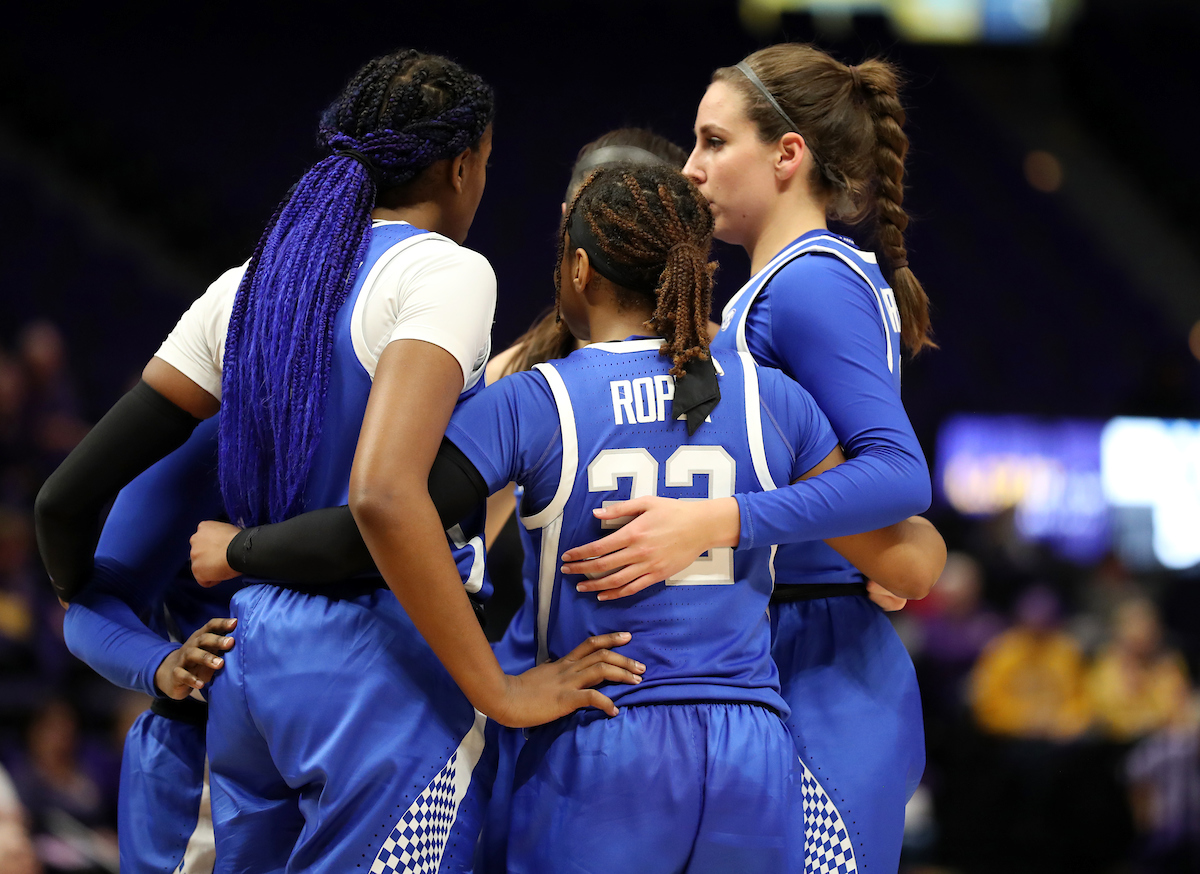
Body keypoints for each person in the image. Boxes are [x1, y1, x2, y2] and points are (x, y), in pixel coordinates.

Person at [190, 163, 946, 872]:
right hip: (751, 750)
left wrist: (243, 549)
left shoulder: (536, 399)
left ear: (578, 269)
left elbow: (384, 516)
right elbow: (913, 565)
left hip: (606, 734)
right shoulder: (771, 400)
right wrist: (736, 517)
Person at [36, 49, 626, 874]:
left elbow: (62, 501)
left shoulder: (243, 291)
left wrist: (113, 621)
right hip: (374, 663)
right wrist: (500, 690)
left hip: (250, 661)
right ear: (463, 167)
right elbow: (384, 498)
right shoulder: (446, 272)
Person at [556, 44, 935, 872]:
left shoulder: (809, 284)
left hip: (824, 650)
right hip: (779, 637)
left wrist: (721, 520)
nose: (691, 168)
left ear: (787, 155)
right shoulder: (775, 287)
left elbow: (898, 472)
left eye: (715, 142)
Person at [60, 417, 236, 874]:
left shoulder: (390, 419)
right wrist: (163, 661)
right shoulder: (216, 436)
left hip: (363, 734)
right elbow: (88, 608)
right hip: (206, 762)